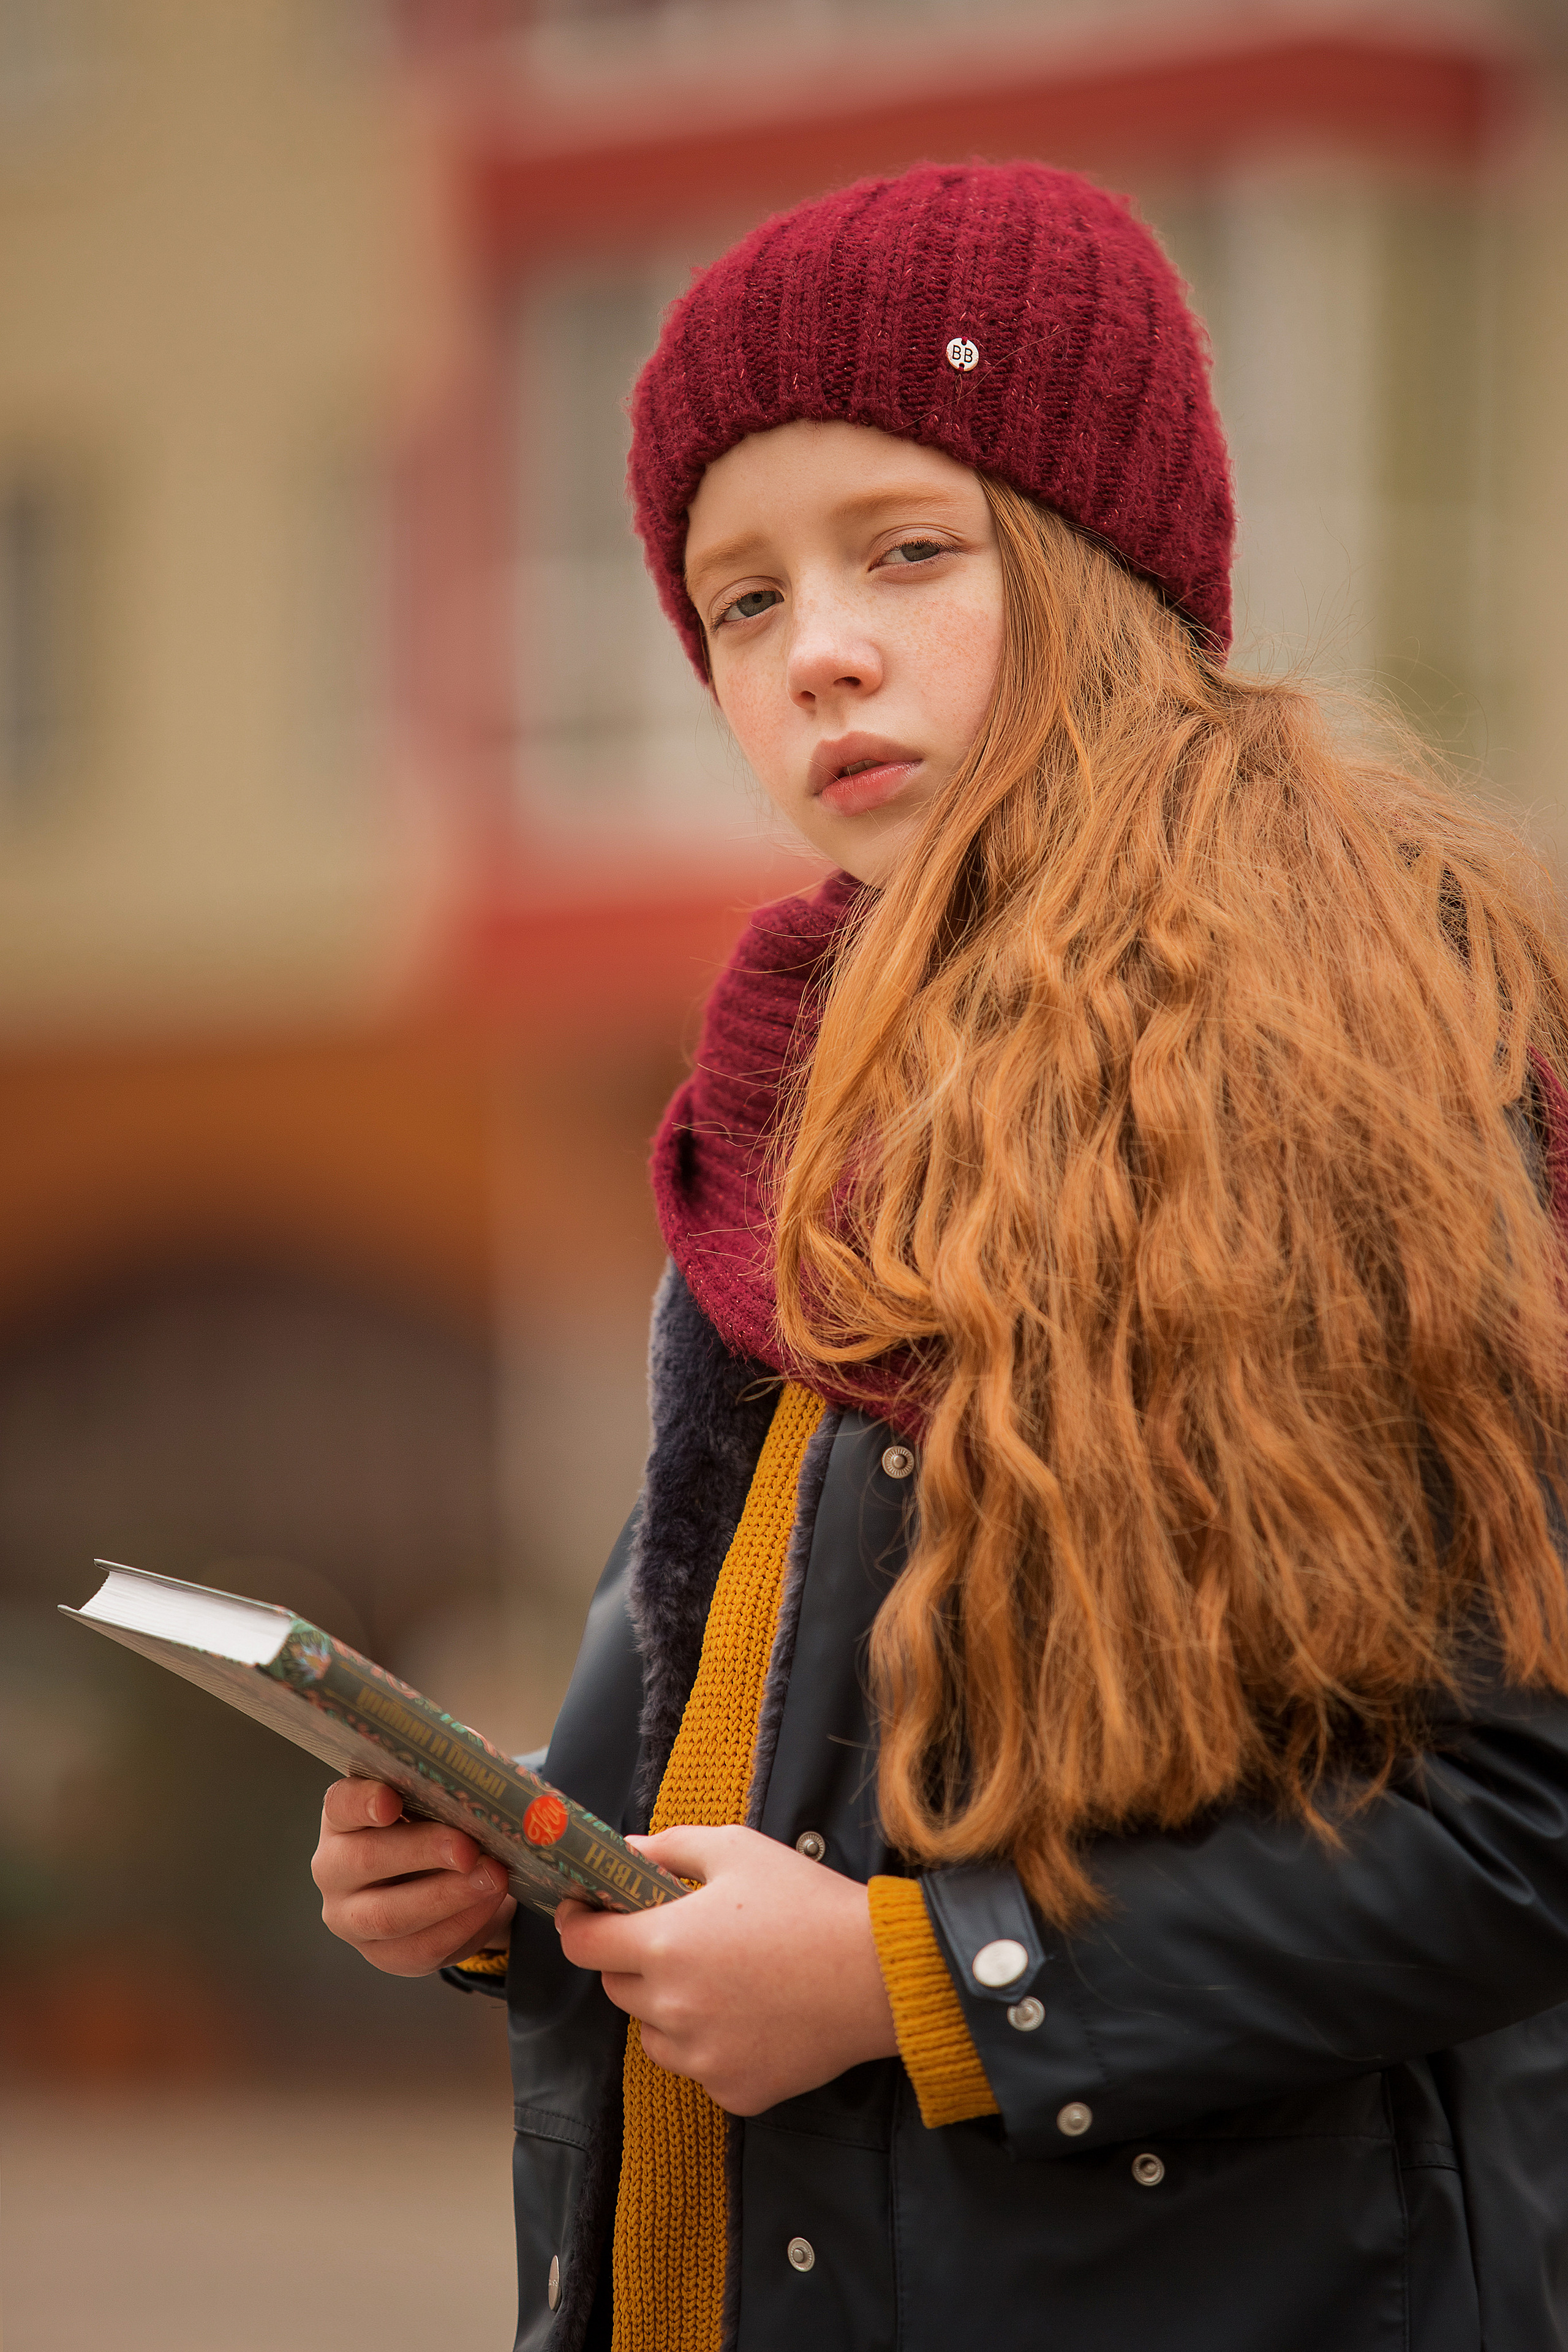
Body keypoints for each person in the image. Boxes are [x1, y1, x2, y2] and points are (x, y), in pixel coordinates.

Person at [309, 163, 1568, 2352]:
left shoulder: (1379, 1039)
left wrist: (926, 1986)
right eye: (738, 600)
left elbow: (1516, 1823)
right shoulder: (788, 1099)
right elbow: (756, 1767)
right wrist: (511, 1883)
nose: (822, 648)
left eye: (908, 549)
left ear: (1100, 566)